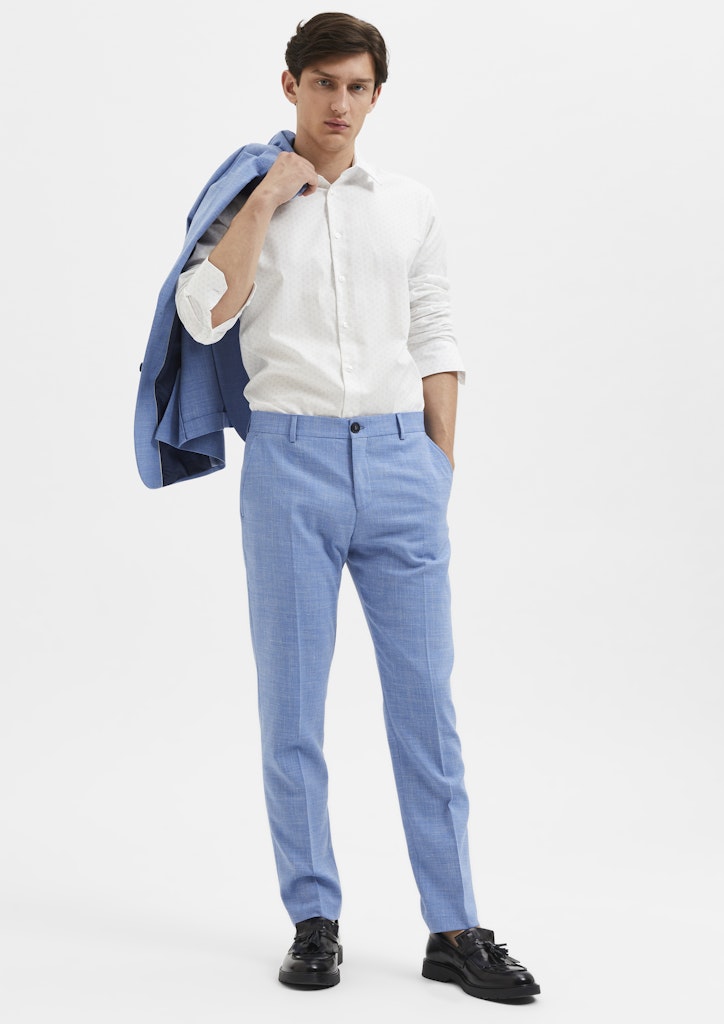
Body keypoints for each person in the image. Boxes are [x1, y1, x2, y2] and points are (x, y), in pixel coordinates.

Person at [169, 11, 540, 1002]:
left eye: (357, 86)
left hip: (400, 463)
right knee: (291, 707)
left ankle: (454, 928)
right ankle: (314, 919)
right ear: (289, 85)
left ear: (377, 95)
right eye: (323, 83)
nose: (340, 103)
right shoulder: (247, 198)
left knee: (428, 706)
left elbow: (435, 328)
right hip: (289, 467)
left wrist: (437, 466)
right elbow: (204, 312)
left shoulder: (409, 204)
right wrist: (267, 196)